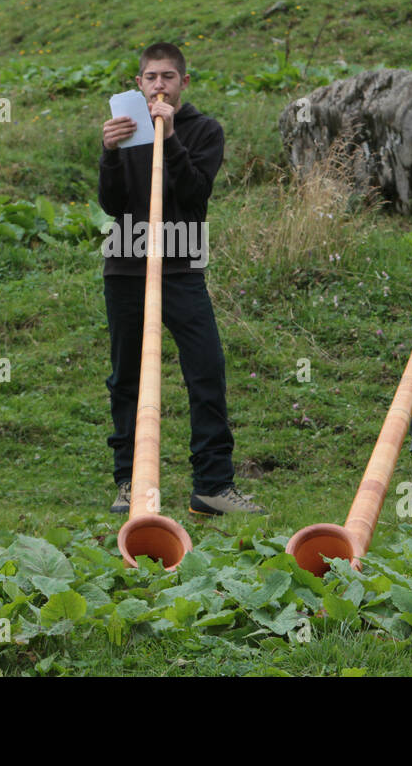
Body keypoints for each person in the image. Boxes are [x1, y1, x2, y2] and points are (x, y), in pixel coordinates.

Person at [98, 43, 265, 516]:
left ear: (183, 83)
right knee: (126, 378)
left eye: (168, 77)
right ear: (139, 83)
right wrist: (109, 153)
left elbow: (194, 193)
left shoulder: (204, 130)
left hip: (180, 267)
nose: (159, 85)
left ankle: (212, 487)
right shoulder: (125, 127)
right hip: (126, 264)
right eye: (150, 77)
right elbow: (111, 203)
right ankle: (130, 483)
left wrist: (170, 138)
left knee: (206, 370)